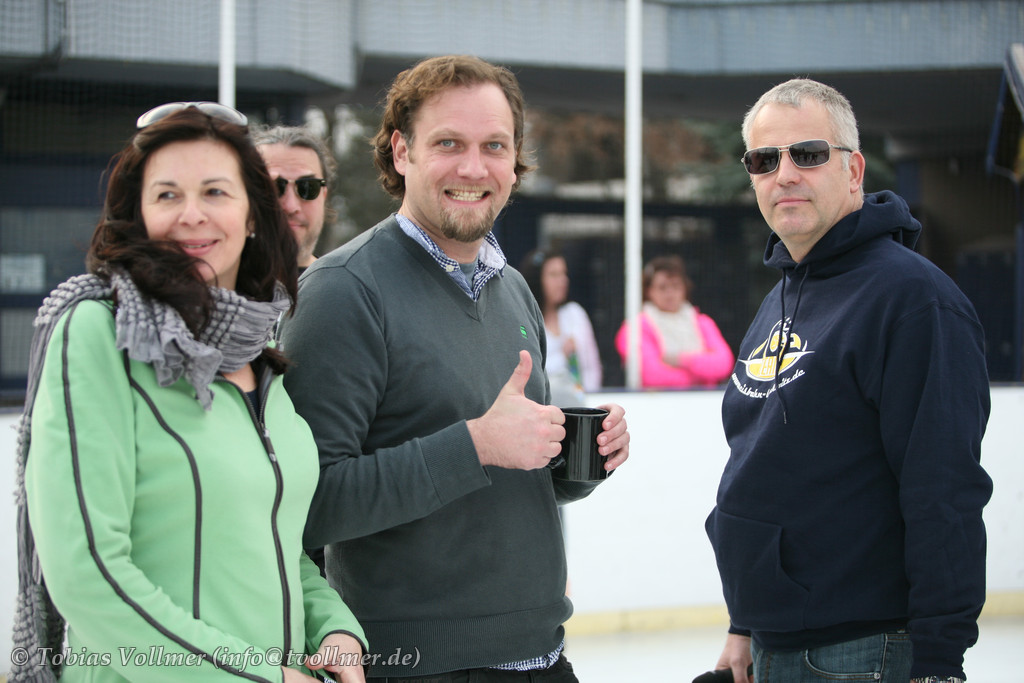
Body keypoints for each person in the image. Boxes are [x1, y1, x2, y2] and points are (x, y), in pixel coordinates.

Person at [278, 55, 631, 682]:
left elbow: (508, 474)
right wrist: (475, 445)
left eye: (494, 146)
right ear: (401, 151)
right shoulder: (343, 291)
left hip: (543, 657)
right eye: (448, 143)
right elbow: (307, 505)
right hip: (419, 668)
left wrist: (579, 461)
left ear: (515, 160)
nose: (473, 168)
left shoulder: (514, 289)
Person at [12, 102, 367, 683]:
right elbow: (87, 574)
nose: (192, 214)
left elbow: (271, 541)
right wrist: (261, 676)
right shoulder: (99, 333)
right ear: (139, 215)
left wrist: (333, 628)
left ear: (252, 215)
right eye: (167, 195)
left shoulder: (259, 354)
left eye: (215, 192)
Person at [705, 79, 992, 683]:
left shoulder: (913, 301)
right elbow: (764, 467)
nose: (784, 174)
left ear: (854, 170)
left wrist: (939, 663)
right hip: (773, 642)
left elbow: (943, 491)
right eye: (764, 160)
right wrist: (745, 623)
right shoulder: (782, 296)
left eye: (808, 154)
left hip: (864, 651)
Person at [614, 254, 733, 388]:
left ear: (684, 289)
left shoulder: (703, 323)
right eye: (662, 287)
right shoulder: (635, 328)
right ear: (649, 291)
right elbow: (651, 375)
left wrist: (681, 360)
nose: (670, 293)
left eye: (675, 286)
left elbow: (724, 364)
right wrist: (702, 375)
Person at [519, 248, 603, 406]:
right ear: (537, 279)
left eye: (564, 273)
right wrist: (562, 357)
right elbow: (529, 372)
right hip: (542, 407)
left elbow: (592, 367)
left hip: (579, 405)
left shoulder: (575, 313)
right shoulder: (525, 320)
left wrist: (586, 402)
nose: (562, 281)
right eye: (553, 275)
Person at [251, 124, 336, 272]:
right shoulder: (215, 282)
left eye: (307, 187)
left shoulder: (348, 283)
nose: (291, 206)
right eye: (273, 187)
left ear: (324, 196)